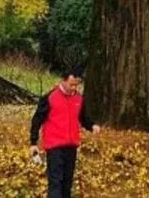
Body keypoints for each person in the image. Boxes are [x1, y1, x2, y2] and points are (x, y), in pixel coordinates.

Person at [29, 68, 101, 198]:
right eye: (71, 84)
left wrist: (92, 126)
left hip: (71, 145)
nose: (73, 87)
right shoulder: (50, 97)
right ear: (63, 80)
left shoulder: (79, 98)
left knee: (67, 183)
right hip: (54, 146)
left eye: (76, 85)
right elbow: (37, 119)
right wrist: (33, 142)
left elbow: (83, 118)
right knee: (56, 182)